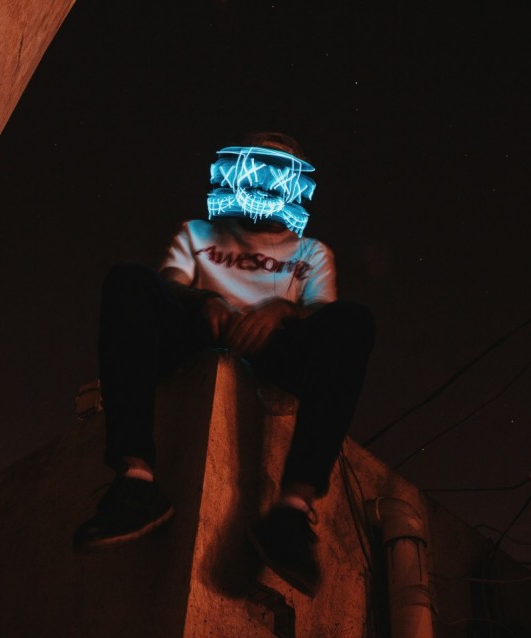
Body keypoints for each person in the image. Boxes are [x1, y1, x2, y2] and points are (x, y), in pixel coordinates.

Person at [73, 132, 375, 596]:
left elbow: (322, 316)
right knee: (128, 278)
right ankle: (136, 481)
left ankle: (292, 509)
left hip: (273, 349)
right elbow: (167, 286)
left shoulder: (311, 252)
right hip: (200, 335)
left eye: (278, 176)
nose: (265, 185)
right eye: (258, 171)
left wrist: (279, 312)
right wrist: (203, 300)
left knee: (354, 321)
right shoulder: (197, 233)